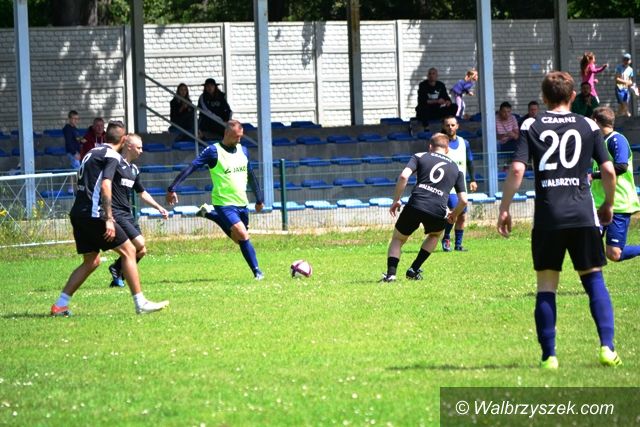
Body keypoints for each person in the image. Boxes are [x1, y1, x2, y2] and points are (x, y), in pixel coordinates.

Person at [497, 71, 620, 369]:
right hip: (583, 215)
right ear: (573, 96)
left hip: (548, 217)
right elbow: (608, 170)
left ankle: (549, 357)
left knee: (546, 286)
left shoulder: (531, 124)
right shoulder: (589, 124)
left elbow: (517, 169)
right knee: (594, 281)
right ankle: (607, 348)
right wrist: (608, 204)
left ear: (543, 97)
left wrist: (505, 208)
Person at [50, 120, 169, 316]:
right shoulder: (112, 156)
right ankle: (140, 303)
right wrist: (108, 218)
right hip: (94, 213)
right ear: (124, 139)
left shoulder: (91, 152)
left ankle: (60, 305)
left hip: (78, 213)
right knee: (130, 250)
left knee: (92, 261)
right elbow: (106, 185)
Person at [166, 119, 265, 280]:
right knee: (242, 234)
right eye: (236, 136)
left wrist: (259, 199)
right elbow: (192, 167)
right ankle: (257, 272)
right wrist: (172, 187)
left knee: (238, 240)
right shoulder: (213, 151)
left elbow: (251, 176)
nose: (239, 139)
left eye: (240, 136)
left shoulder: (243, 150)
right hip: (223, 203)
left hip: (242, 202)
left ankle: (209, 214)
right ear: (226, 133)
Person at [381, 133, 467, 282]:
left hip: (416, 204)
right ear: (447, 149)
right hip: (438, 209)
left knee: (398, 239)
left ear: (430, 147)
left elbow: (404, 176)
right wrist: (454, 214)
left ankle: (391, 275)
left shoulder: (420, 156)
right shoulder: (456, 169)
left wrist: (396, 200)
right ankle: (414, 269)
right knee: (434, 235)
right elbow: (464, 200)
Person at [107, 133, 170, 288]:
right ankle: (117, 269)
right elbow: (104, 184)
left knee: (141, 251)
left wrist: (159, 207)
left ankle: (117, 272)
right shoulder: (115, 163)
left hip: (127, 214)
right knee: (139, 243)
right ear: (129, 146)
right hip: (116, 212)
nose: (141, 151)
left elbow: (142, 193)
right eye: (139, 147)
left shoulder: (134, 170)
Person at [590, 106, 640, 263]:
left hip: (619, 204)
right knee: (587, 242)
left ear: (595, 121)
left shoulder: (617, 140)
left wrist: (593, 175)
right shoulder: (599, 142)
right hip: (598, 204)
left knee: (614, 254)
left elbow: (621, 166)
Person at [440, 116, 477, 252]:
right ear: (444, 127)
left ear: (457, 126)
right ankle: (446, 238)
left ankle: (458, 244)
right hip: (447, 185)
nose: (450, 127)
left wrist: (472, 179)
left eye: (452, 125)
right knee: (454, 211)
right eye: (447, 125)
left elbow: (470, 162)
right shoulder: (441, 143)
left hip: (461, 185)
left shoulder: (464, 143)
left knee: (462, 215)